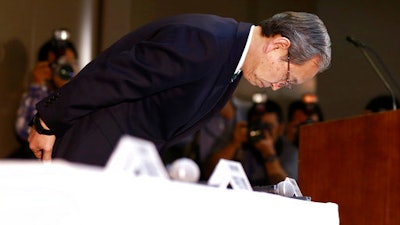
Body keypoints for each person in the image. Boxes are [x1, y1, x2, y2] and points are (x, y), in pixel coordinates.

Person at [27, 12, 331, 167]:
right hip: (94, 148)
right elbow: (114, 77)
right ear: (278, 46)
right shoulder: (208, 41)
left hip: (121, 159)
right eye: (288, 78)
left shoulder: (232, 60)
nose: (279, 86)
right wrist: (48, 120)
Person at [12, 29, 78, 158]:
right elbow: (24, 132)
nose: (65, 69)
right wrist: (38, 85)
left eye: (69, 63)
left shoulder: (85, 92)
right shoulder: (41, 94)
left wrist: (67, 88)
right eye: (58, 64)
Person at [204, 99, 298, 186]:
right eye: (257, 125)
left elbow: (287, 189)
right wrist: (234, 144)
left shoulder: (290, 152)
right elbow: (210, 174)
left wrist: (269, 154)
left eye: (268, 127)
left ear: (280, 128)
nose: (262, 131)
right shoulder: (243, 144)